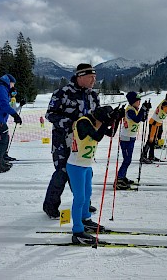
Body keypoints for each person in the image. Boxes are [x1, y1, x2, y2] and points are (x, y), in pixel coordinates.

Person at [43, 63, 100, 219]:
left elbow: (97, 117)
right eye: (90, 77)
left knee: (84, 171)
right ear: (80, 77)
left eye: (95, 77)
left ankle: (84, 204)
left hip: (84, 142)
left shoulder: (93, 96)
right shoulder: (62, 93)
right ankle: (50, 207)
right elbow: (50, 115)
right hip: (62, 141)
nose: (93, 80)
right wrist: (71, 123)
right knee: (62, 173)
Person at [67, 106, 119, 244]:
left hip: (86, 166)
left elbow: (111, 133)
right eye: (103, 122)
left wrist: (116, 119)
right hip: (75, 166)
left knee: (88, 194)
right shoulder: (83, 122)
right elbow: (97, 136)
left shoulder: (96, 123)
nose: (103, 126)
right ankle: (77, 231)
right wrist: (107, 121)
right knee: (79, 198)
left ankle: (86, 220)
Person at [115, 92, 151, 190]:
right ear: (132, 102)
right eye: (137, 101)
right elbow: (136, 120)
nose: (139, 102)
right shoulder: (129, 110)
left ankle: (123, 177)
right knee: (127, 160)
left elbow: (143, 119)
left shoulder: (135, 109)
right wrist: (142, 110)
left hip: (131, 137)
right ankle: (119, 180)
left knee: (128, 160)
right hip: (126, 138)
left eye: (140, 101)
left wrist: (146, 111)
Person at [0, 74, 22, 173]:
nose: (13, 86)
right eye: (12, 84)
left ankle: (0, 161)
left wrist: (10, 93)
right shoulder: (0, 87)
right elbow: (3, 104)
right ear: (9, 82)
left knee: (2, 139)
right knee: (2, 140)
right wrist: (15, 115)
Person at [142, 92, 167, 163]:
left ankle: (151, 156)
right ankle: (143, 156)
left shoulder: (166, 102)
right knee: (150, 139)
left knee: (154, 140)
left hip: (157, 122)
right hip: (154, 122)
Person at [4, 86, 26, 162]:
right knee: (3, 138)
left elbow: (14, 110)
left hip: (4, 120)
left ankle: (4, 154)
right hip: (0, 120)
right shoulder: (6, 98)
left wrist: (20, 105)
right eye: (13, 93)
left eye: (15, 93)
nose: (14, 95)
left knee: (6, 137)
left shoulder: (12, 99)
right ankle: (2, 156)